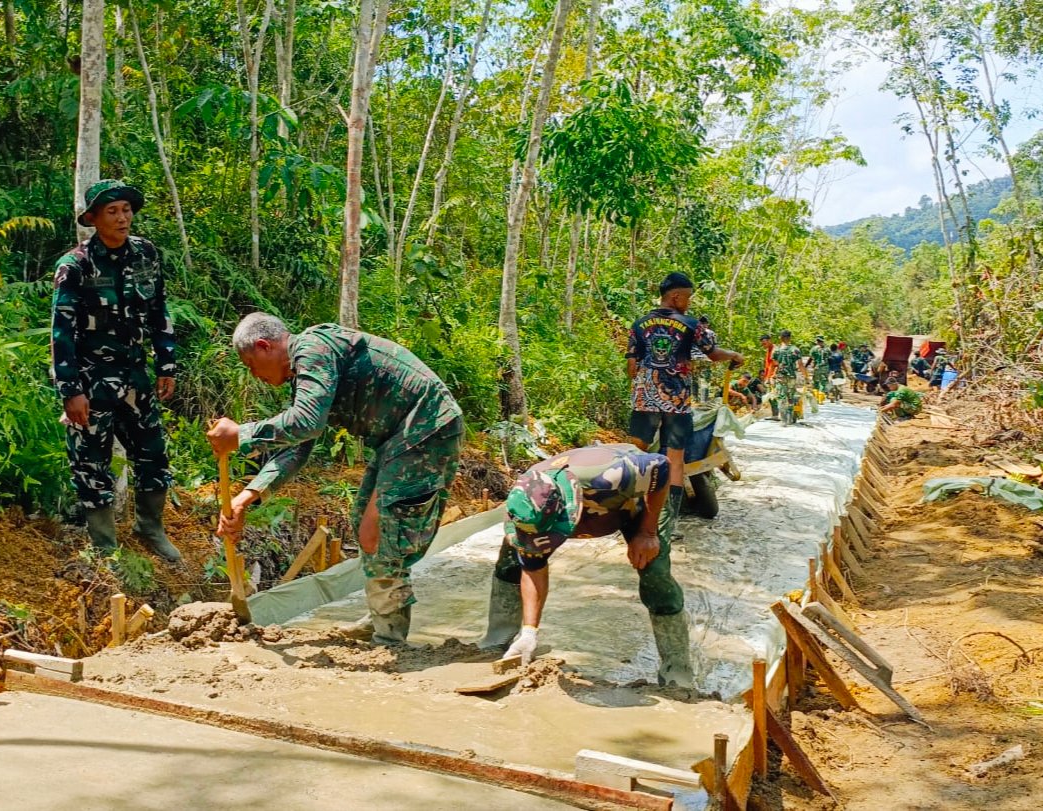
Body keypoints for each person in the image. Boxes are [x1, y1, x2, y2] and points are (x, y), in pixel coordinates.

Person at [207, 313, 463, 644]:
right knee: (364, 522)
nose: (254, 375)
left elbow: (307, 422)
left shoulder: (312, 349)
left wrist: (241, 434)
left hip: (427, 428)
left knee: (380, 530)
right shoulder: (308, 371)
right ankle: (383, 615)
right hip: (398, 439)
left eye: (251, 365)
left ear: (263, 346)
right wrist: (246, 497)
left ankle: (390, 637)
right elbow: (298, 446)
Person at [478, 444, 694, 686]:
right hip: (571, 507)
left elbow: (663, 468)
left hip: (638, 501)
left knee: (654, 571)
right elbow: (533, 568)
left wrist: (647, 531)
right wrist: (530, 631)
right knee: (511, 559)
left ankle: (677, 667)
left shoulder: (616, 474)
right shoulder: (526, 503)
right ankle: (500, 637)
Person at [50, 179, 181, 562]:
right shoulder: (75, 266)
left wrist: (166, 363)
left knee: (153, 453)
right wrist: (70, 390)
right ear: (93, 218)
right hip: (91, 381)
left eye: (126, 209)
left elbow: (159, 310)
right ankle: (105, 545)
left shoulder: (146, 254)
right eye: (112, 211)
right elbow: (61, 331)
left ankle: (150, 528)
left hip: (136, 376)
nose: (122, 218)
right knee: (91, 461)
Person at [625, 273, 743, 512]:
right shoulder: (690, 324)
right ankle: (669, 517)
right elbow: (712, 353)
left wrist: (648, 381)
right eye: (688, 297)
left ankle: (632, 512)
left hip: (644, 400)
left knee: (637, 455)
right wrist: (733, 355)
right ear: (676, 297)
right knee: (675, 460)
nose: (689, 303)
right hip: (676, 401)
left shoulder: (638, 325)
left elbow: (631, 368)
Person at [770, 330, 804, 421]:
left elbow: (773, 364)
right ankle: (789, 415)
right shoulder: (795, 349)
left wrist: (770, 376)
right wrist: (806, 376)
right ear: (790, 338)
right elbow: (800, 364)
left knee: (781, 396)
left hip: (780, 376)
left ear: (781, 338)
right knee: (790, 396)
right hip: (791, 376)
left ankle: (783, 416)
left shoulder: (776, 350)